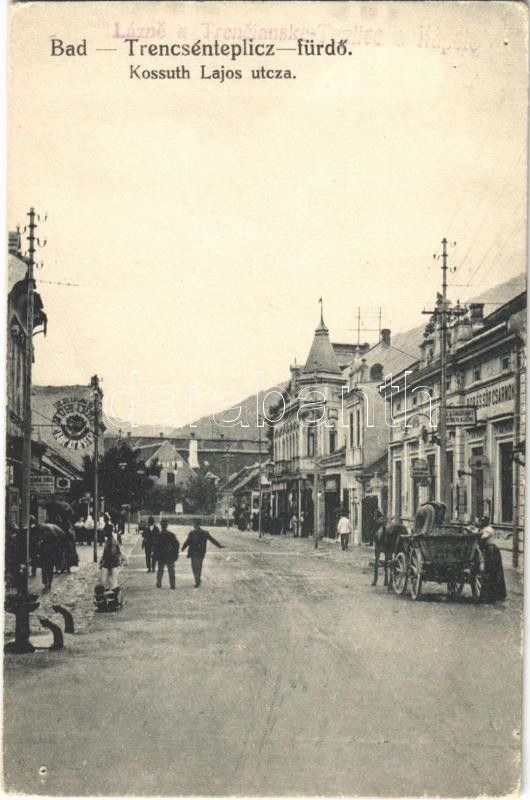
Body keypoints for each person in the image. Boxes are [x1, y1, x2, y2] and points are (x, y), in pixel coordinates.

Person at [182, 519, 224, 588]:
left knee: (198, 566)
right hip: (193, 552)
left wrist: (219, 545)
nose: (195, 526)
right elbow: (187, 541)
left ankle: (197, 581)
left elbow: (212, 540)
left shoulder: (205, 533)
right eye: (194, 525)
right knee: (194, 567)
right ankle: (197, 579)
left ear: (199, 525)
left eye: (196, 525)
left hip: (200, 552)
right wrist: (183, 547)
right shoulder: (192, 533)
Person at [479, 524, 507, 603]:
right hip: (490, 551)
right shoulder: (484, 528)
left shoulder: (488, 529)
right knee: (491, 572)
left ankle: (493, 596)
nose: (480, 522)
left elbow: (482, 537)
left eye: (482, 520)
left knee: (492, 572)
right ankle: (492, 596)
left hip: (492, 552)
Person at [153, 519, 179, 589]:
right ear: (167, 526)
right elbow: (176, 545)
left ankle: (159, 583)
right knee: (171, 570)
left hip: (161, 555)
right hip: (169, 555)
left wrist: (155, 556)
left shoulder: (158, 535)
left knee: (160, 570)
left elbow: (155, 547)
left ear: (161, 526)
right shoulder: (171, 535)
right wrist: (175, 555)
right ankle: (172, 585)